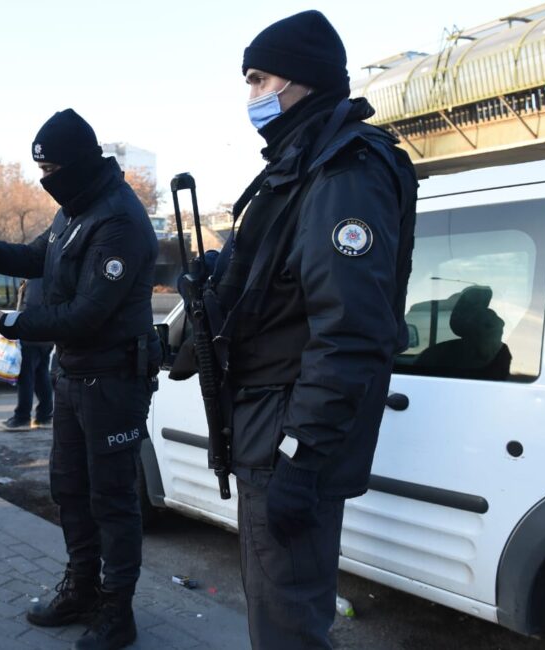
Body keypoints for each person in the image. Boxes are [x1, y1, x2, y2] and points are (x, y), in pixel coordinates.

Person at [211, 11, 417, 649]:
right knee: (275, 617)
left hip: (287, 441)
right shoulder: (304, 167)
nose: (252, 97)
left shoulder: (344, 173)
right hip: (268, 430)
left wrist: (300, 460)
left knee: (288, 629)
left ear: (301, 80)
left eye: (260, 79)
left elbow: (350, 332)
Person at [0, 108, 159, 650]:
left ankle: (118, 609)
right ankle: (81, 588)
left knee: (112, 497)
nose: (46, 180)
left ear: (81, 163)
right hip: (73, 376)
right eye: (40, 169)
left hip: (113, 381)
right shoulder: (75, 208)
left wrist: (5, 322)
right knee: (69, 488)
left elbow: (87, 315)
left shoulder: (118, 220)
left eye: (53, 168)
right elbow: (39, 255)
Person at [0, 278, 54, 431]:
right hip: (46, 334)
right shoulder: (47, 272)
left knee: (26, 376)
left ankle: (22, 418)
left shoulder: (36, 278)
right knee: (41, 374)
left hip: (32, 335)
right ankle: (45, 416)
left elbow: (32, 306)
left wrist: (20, 327)